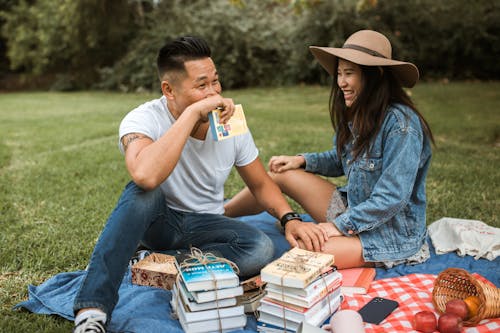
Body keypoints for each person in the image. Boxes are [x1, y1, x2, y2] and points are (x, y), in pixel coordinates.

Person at [72, 36, 327, 333]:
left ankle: (152, 262)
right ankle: (92, 311)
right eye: (201, 85)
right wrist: (192, 114)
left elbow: (260, 184)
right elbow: (145, 175)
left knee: (260, 248)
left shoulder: (229, 123)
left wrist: (289, 218)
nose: (214, 93)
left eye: (215, 82)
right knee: (142, 193)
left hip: (206, 225)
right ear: (169, 90)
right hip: (160, 221)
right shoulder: (143, 118)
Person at [225, 30, 434, 270]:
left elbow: (391, 198)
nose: (341, 82)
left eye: (349, 74)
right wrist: (302, 161)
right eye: (339, 74)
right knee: (280, 175)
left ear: (375, 75)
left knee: (305, 252)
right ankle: (222, 213)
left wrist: (336, 227)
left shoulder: (402, 125)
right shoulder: (360, 112)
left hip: (389, 234)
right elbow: (341, 160)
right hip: (353, 210)